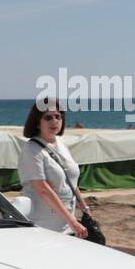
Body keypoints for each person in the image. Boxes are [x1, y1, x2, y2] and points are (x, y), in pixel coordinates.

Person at [18, 99, 90, 237]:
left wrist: (84, 206)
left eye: (58, 116)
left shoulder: (61, 145)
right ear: (38, 121)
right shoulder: (31, 149)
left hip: (67, 223)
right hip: (45, 224)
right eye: (48, 117)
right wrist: (73, 222)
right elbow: (42, 189)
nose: (54, 121)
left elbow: (71, 180)